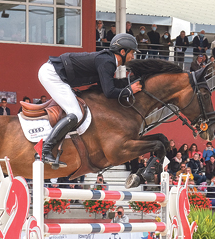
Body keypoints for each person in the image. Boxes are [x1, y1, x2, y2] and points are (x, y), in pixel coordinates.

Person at [37, 33, 141, 167]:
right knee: (76, 114)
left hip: (56, 74)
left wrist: (129, 84)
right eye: (132, 53)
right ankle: (45, 149)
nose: (133, 56)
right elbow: (109, 92)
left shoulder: (108, 61)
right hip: (52, 75)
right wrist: (129, 90)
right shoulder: (107, 62)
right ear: (122, 52)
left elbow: (106, 86)